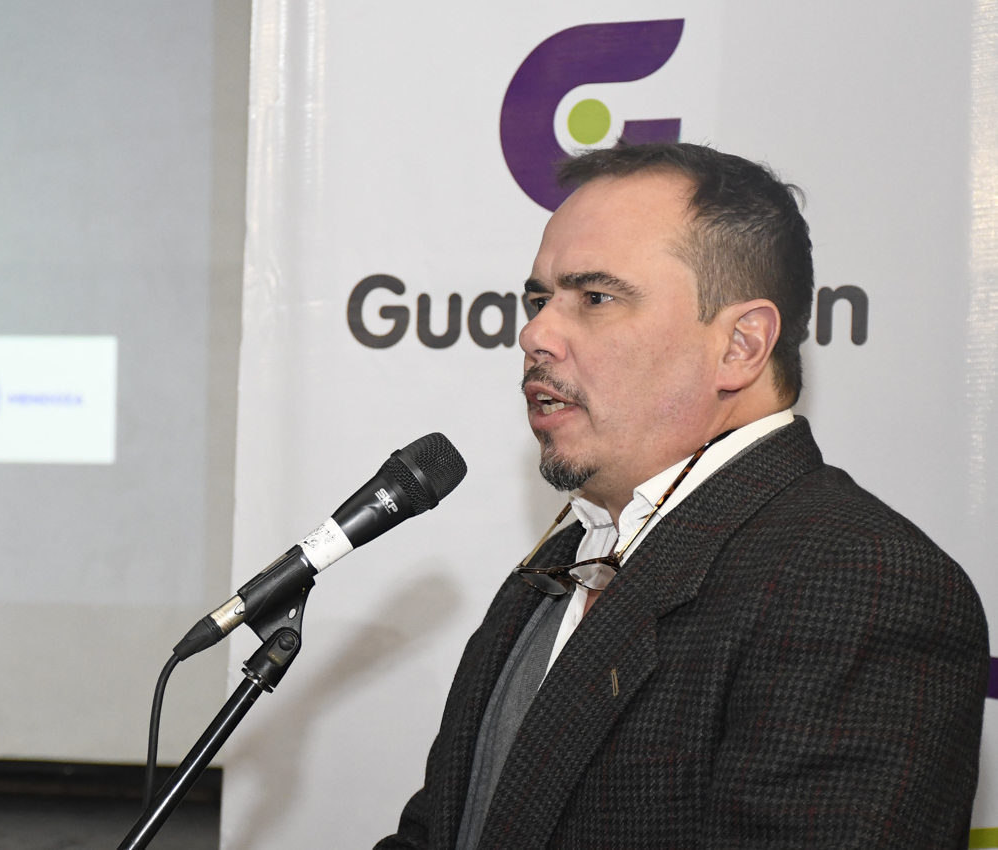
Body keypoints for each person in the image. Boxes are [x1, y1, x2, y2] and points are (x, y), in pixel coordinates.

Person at [375, 143, 990, 849]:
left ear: (740, 345)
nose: (534, 333)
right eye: (539, 300)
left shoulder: (861, 579)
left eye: (595, 298)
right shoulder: (566, 557)